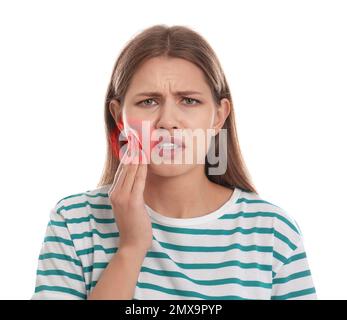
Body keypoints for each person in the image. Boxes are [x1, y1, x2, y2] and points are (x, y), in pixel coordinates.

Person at [31, 24, 317, 300]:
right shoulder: (73, 223)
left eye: (189, 101)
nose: (167, 121)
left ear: (218, 116)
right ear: (120, 117)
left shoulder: (273, 232)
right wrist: (130, 248)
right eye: (148, 102)